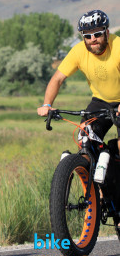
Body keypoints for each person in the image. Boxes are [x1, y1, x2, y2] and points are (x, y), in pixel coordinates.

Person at [38, 10, 120, 151]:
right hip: (101, 100)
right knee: (84, 139)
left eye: (97, 34)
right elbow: (57, 78)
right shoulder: (78, 51)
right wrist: (47, 104)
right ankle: (90, 169)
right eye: (87, 36)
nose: (93, 39)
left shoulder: (117, 46)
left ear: (107, 32)